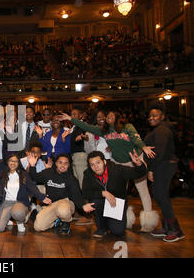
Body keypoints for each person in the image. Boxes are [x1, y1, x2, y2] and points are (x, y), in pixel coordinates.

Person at [58, 111, 159, 232]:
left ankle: (148, 223)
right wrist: (70, 118)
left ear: (117, 117)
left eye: (112, 115)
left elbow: (135, 139)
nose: (109, 117)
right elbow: (87, 126)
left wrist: (143, 147)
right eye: (108, 116)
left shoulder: (127, 127)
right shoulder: (104, 131)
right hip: (119, 163)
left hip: (135, 160)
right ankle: (124, 219)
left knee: (142, 190)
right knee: (120, 192)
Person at [82, 150, 146, 238]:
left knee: (118, 232)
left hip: (116, 204)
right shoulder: (88, 174)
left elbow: (138, 173)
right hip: (101, 203)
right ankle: (102, 228)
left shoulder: (117, 169)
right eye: (92, 165)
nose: (95, 167)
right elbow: (86, 193)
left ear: (104, 161)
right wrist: (103, 193)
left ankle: (112, 220)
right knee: (94, 202)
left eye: (98, 163)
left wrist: (139, 165)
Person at [145, 102, 184, 242]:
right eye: (150, 115)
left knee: (161, 197)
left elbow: (159, 153)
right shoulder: (161, 129)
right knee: (160, 196)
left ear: (162, 116)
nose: (151, 117)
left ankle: (175, 230)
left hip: (163, 165)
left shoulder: (162, 130)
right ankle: (167, 227)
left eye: (155, 115)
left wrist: (150, 170)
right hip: (163, 165)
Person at [27, 153, 95, 234]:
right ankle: (57, 221)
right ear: (56, 163)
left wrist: (83, 205)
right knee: (38, 227)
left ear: (69, 165)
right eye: (60, 162)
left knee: (63, 209)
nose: (63, 165)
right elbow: (35, 177)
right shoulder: (48, 172)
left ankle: (66, 223)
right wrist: (32, 166)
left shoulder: (71, 179)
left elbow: (77, 196)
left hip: (66, 204)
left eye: (65, 163)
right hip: (51, 204)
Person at [0, 153, 50, 234]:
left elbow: (32, 188)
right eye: (11, 161)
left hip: (20, 202)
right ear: (7, 162)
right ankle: (6, 219)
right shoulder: (3, 175)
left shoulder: (23, 175)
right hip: (6, 203)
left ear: (19, 163)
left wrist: (42, 197)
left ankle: (19, 222)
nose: (13, 163)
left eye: (16, 161)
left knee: (17, 213)